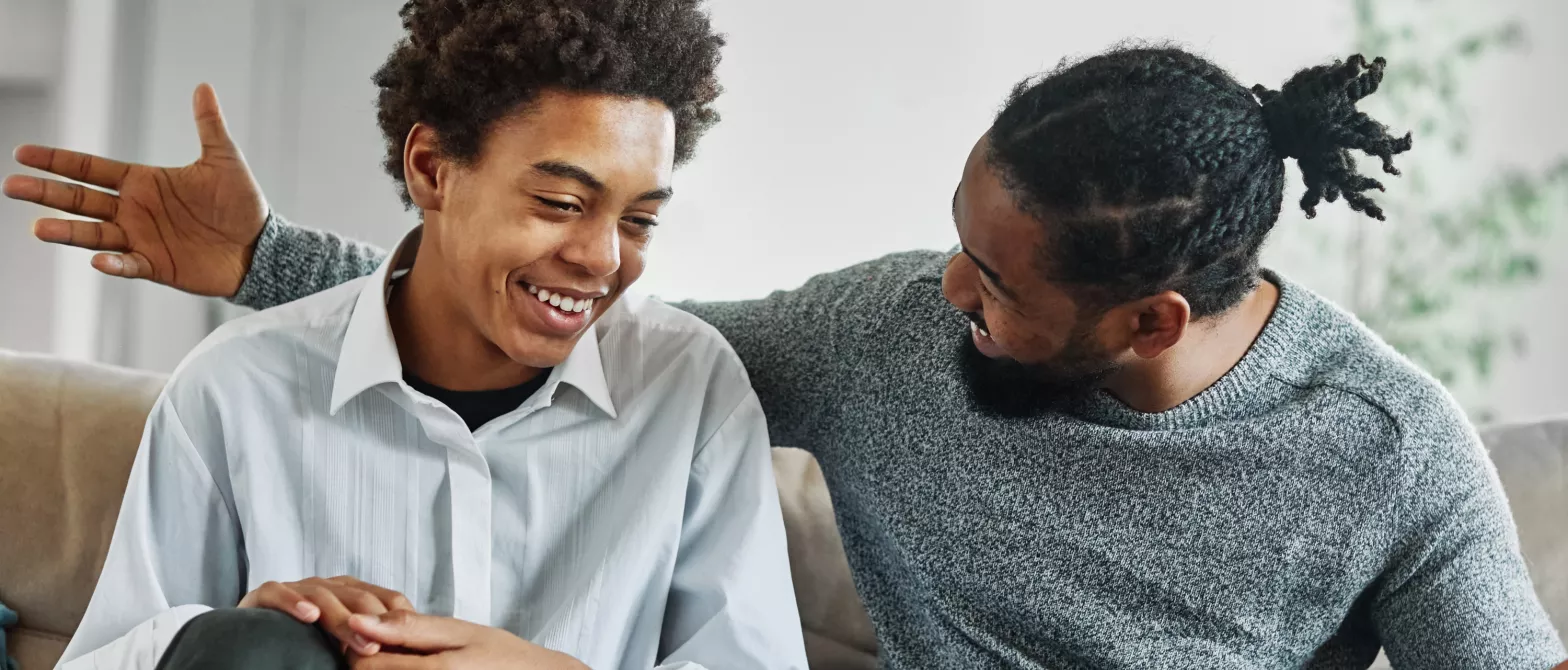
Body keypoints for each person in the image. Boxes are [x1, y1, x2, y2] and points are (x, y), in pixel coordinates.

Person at [10, 41, 1567, 668]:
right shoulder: (891, 331)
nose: (941, 283)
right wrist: (271, 266)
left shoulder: (1388, 450)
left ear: (1149, 320)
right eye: (956, 227)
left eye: (996, 283)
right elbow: (590, 324)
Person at [17, 1, 808, 669]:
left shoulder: (689, 383)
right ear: (432, 168)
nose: (603, 259)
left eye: (639, 220)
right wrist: (226, 640)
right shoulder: (238, 385)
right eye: (561, 204)